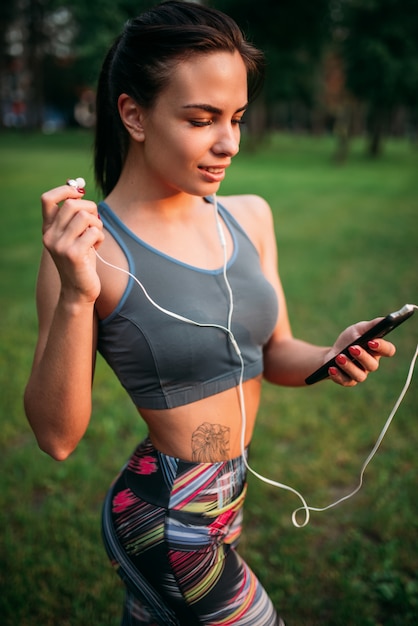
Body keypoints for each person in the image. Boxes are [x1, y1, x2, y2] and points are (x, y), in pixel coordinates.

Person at [24, 2, 396, 625]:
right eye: (201, 120)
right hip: (167, 517)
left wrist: (333, 354)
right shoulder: (90, 248)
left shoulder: (249, 215)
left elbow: (273, 353)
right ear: (134, 114)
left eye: (237, 118)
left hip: (227, 499)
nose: (229, 143)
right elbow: (56, 438)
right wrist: (75, 295)